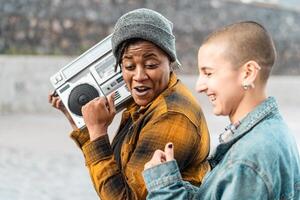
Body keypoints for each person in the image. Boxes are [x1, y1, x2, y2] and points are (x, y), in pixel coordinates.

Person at [48, 8, 210, 200]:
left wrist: (98, 133)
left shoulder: (172, 115)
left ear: (171, 62)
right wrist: (80, 122)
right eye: (129, 66)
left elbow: (125, 197)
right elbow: (117, 173)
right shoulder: (145, 102)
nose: (139, 76)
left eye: (151, 65)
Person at [143, 21, 300, 199]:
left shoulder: (247, 160)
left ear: (247, 73)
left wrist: (164, 191)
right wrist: (169, 183)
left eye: (208, 73)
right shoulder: (276, 132)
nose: (199, 86)